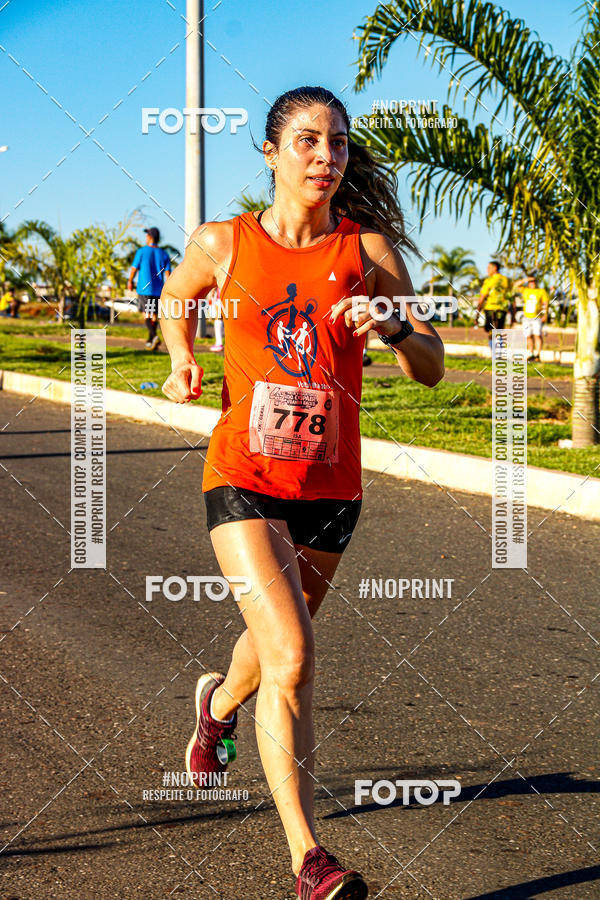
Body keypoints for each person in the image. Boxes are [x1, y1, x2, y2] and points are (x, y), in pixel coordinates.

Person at [160, 85, 444, 900]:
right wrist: (184, 356)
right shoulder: (226, 243)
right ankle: (309, 861)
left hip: (331, 490)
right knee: (293, 654)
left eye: (340, 144)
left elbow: (431, 367)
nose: (327, 158)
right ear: (272, 152)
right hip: (243, 476)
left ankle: (216, 707)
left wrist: (391, 328)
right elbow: (178, 298)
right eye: (310, 142)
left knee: (270, 650)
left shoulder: (369, 251)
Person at [127, 226, 171, 350]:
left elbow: (134, 269)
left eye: (147, 235)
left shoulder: (141, 251)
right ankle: (150, 341)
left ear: (150, 237)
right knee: (154, 315)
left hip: (144, 289)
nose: (145, 238)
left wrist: (130, 281)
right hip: (158, 291)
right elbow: (168, 274)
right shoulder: (164, 254)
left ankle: (154, 336)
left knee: (147, 314)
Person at [477, 261, 512, 354]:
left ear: (495, 268)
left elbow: (482, 297)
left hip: (491, 309)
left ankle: (495, 355)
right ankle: (499, 353)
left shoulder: (489, 280)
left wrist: (477, 312)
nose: (487, 270)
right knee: (499, 332)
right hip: (502, 309)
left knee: (491, 333)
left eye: (489, 268)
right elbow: (511, 296)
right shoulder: (506, 280)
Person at [515, 274, 549, 361]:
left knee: (537, 335)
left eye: (534, 282)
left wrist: (545, 314)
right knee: (528, 335)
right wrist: (527, 278)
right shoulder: (525, 290)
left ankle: (537, 354)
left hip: (537, 317)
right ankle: (530, 353)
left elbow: (545, 303)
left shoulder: (541, 291)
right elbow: (516, 285)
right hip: (526, 317)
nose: (532, 283)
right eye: (531, 282)